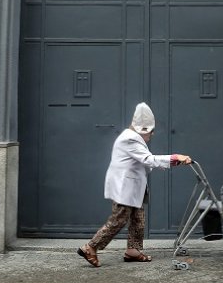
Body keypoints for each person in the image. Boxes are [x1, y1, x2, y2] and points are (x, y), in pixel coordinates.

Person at [77, 102, 192, 267]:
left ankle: (133, 250)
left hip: (133, 186)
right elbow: (147, 158)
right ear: (143, 129)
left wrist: (158, 164)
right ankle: (90, 247)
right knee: (118, 220)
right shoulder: (130, 139)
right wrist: (175, 158)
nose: (151, 135)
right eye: (150, 132)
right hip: (124, 187)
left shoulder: (132, 137)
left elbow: (143, 160)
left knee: (138, 219)